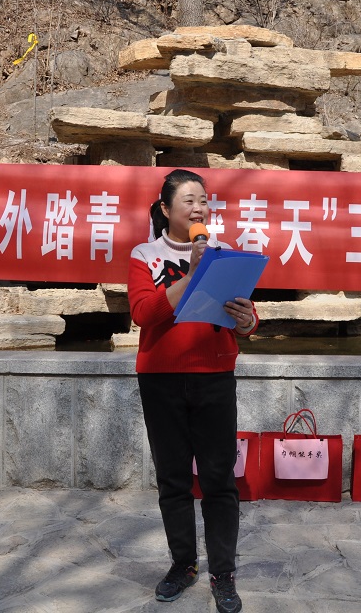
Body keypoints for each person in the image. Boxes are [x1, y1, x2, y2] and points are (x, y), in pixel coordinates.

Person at [127, 169, 257, 613]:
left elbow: (248, 319)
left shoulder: (223, 253)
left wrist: (247, 319)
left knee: (219, 480)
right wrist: (192, 275)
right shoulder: (145, 255)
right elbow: (144, 313)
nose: (199, 208)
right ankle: (183, 564)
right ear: (165, 209)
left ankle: (223, 573)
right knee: (173, 479)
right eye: (189, 200)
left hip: (214, 377)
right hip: (160, 379)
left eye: (204, 200)